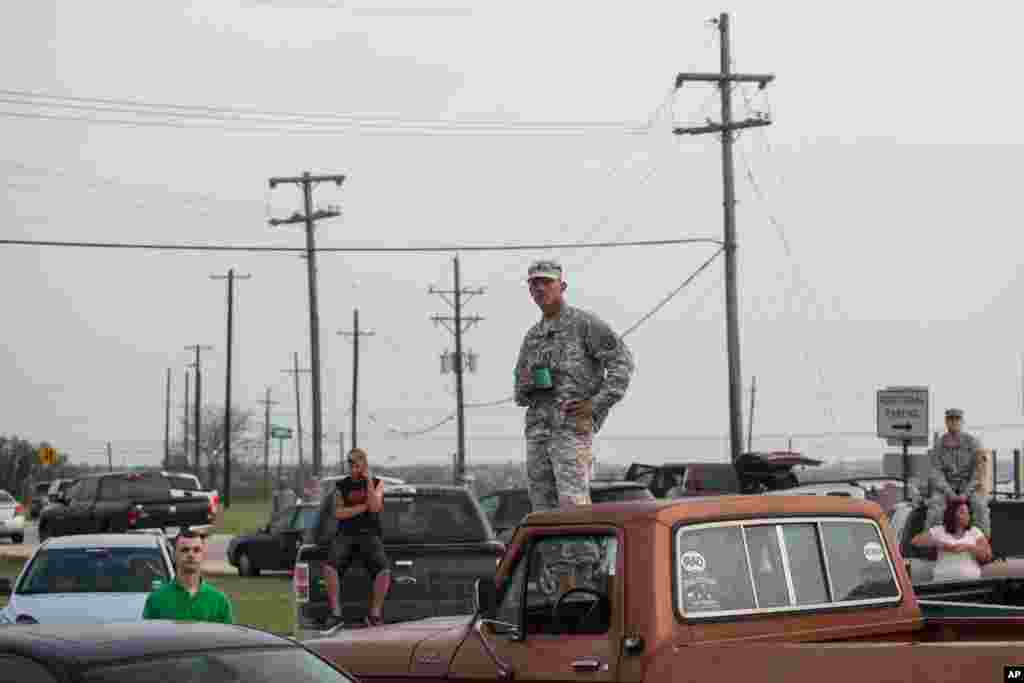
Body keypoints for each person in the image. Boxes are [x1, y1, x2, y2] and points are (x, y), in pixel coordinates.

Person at [514, 259, 634, 591]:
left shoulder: (584, 325)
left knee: (573, 505)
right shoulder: (534, 336)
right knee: (544, 508)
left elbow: (622, 364)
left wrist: (594, 405)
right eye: (533, 283)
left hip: (570, 429)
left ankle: (588, 586)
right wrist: (532, 383)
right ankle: (560, 586)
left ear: (561, 286)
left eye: (546, 282)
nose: (539, 288)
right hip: (539, 428)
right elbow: (519, 390)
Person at [322, 448, 389, 629]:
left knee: (383, 570)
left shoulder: (377, 483)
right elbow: (339, 513)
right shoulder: (341, 486)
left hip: (370, 534)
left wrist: (368, 480)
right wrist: (362, 508)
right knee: (330, 567)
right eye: (350, 463)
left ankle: (374, 614)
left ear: (364, 464)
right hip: (346, 534)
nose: (352, 467)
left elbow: (375, 507)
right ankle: (336, 613)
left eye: (356, 464)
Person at [142, 528, 234, 624]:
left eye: (196, 550)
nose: (191, 554)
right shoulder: (156, 600)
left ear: (203, 555)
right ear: (173, 555)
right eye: (185, 550)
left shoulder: (219, 601)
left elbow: (228, 638)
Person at [926, 408, 990, 537]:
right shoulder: (939, 445)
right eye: (950, 419)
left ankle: (982, 544)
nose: (954, 422)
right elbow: (936, 472)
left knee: (980, 506)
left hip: (970, 486)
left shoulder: (973, 443)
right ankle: (931, 544)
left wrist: (966, 492)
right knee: (935, 508)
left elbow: (979, 472)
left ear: (962, 422)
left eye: (957, 419)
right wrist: (948, 492)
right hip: (946, 487)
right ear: (946, 422)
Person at [912, 496, 992, 582]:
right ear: (952, 514)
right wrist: (942, 545)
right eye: (962, 512)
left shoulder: (975, 531)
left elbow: (988, 555)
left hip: (970, 582)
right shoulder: (939, 530)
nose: (967, 516)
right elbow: (915, 541)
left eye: (968, 513)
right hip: (942, 581)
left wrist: (968, 547)